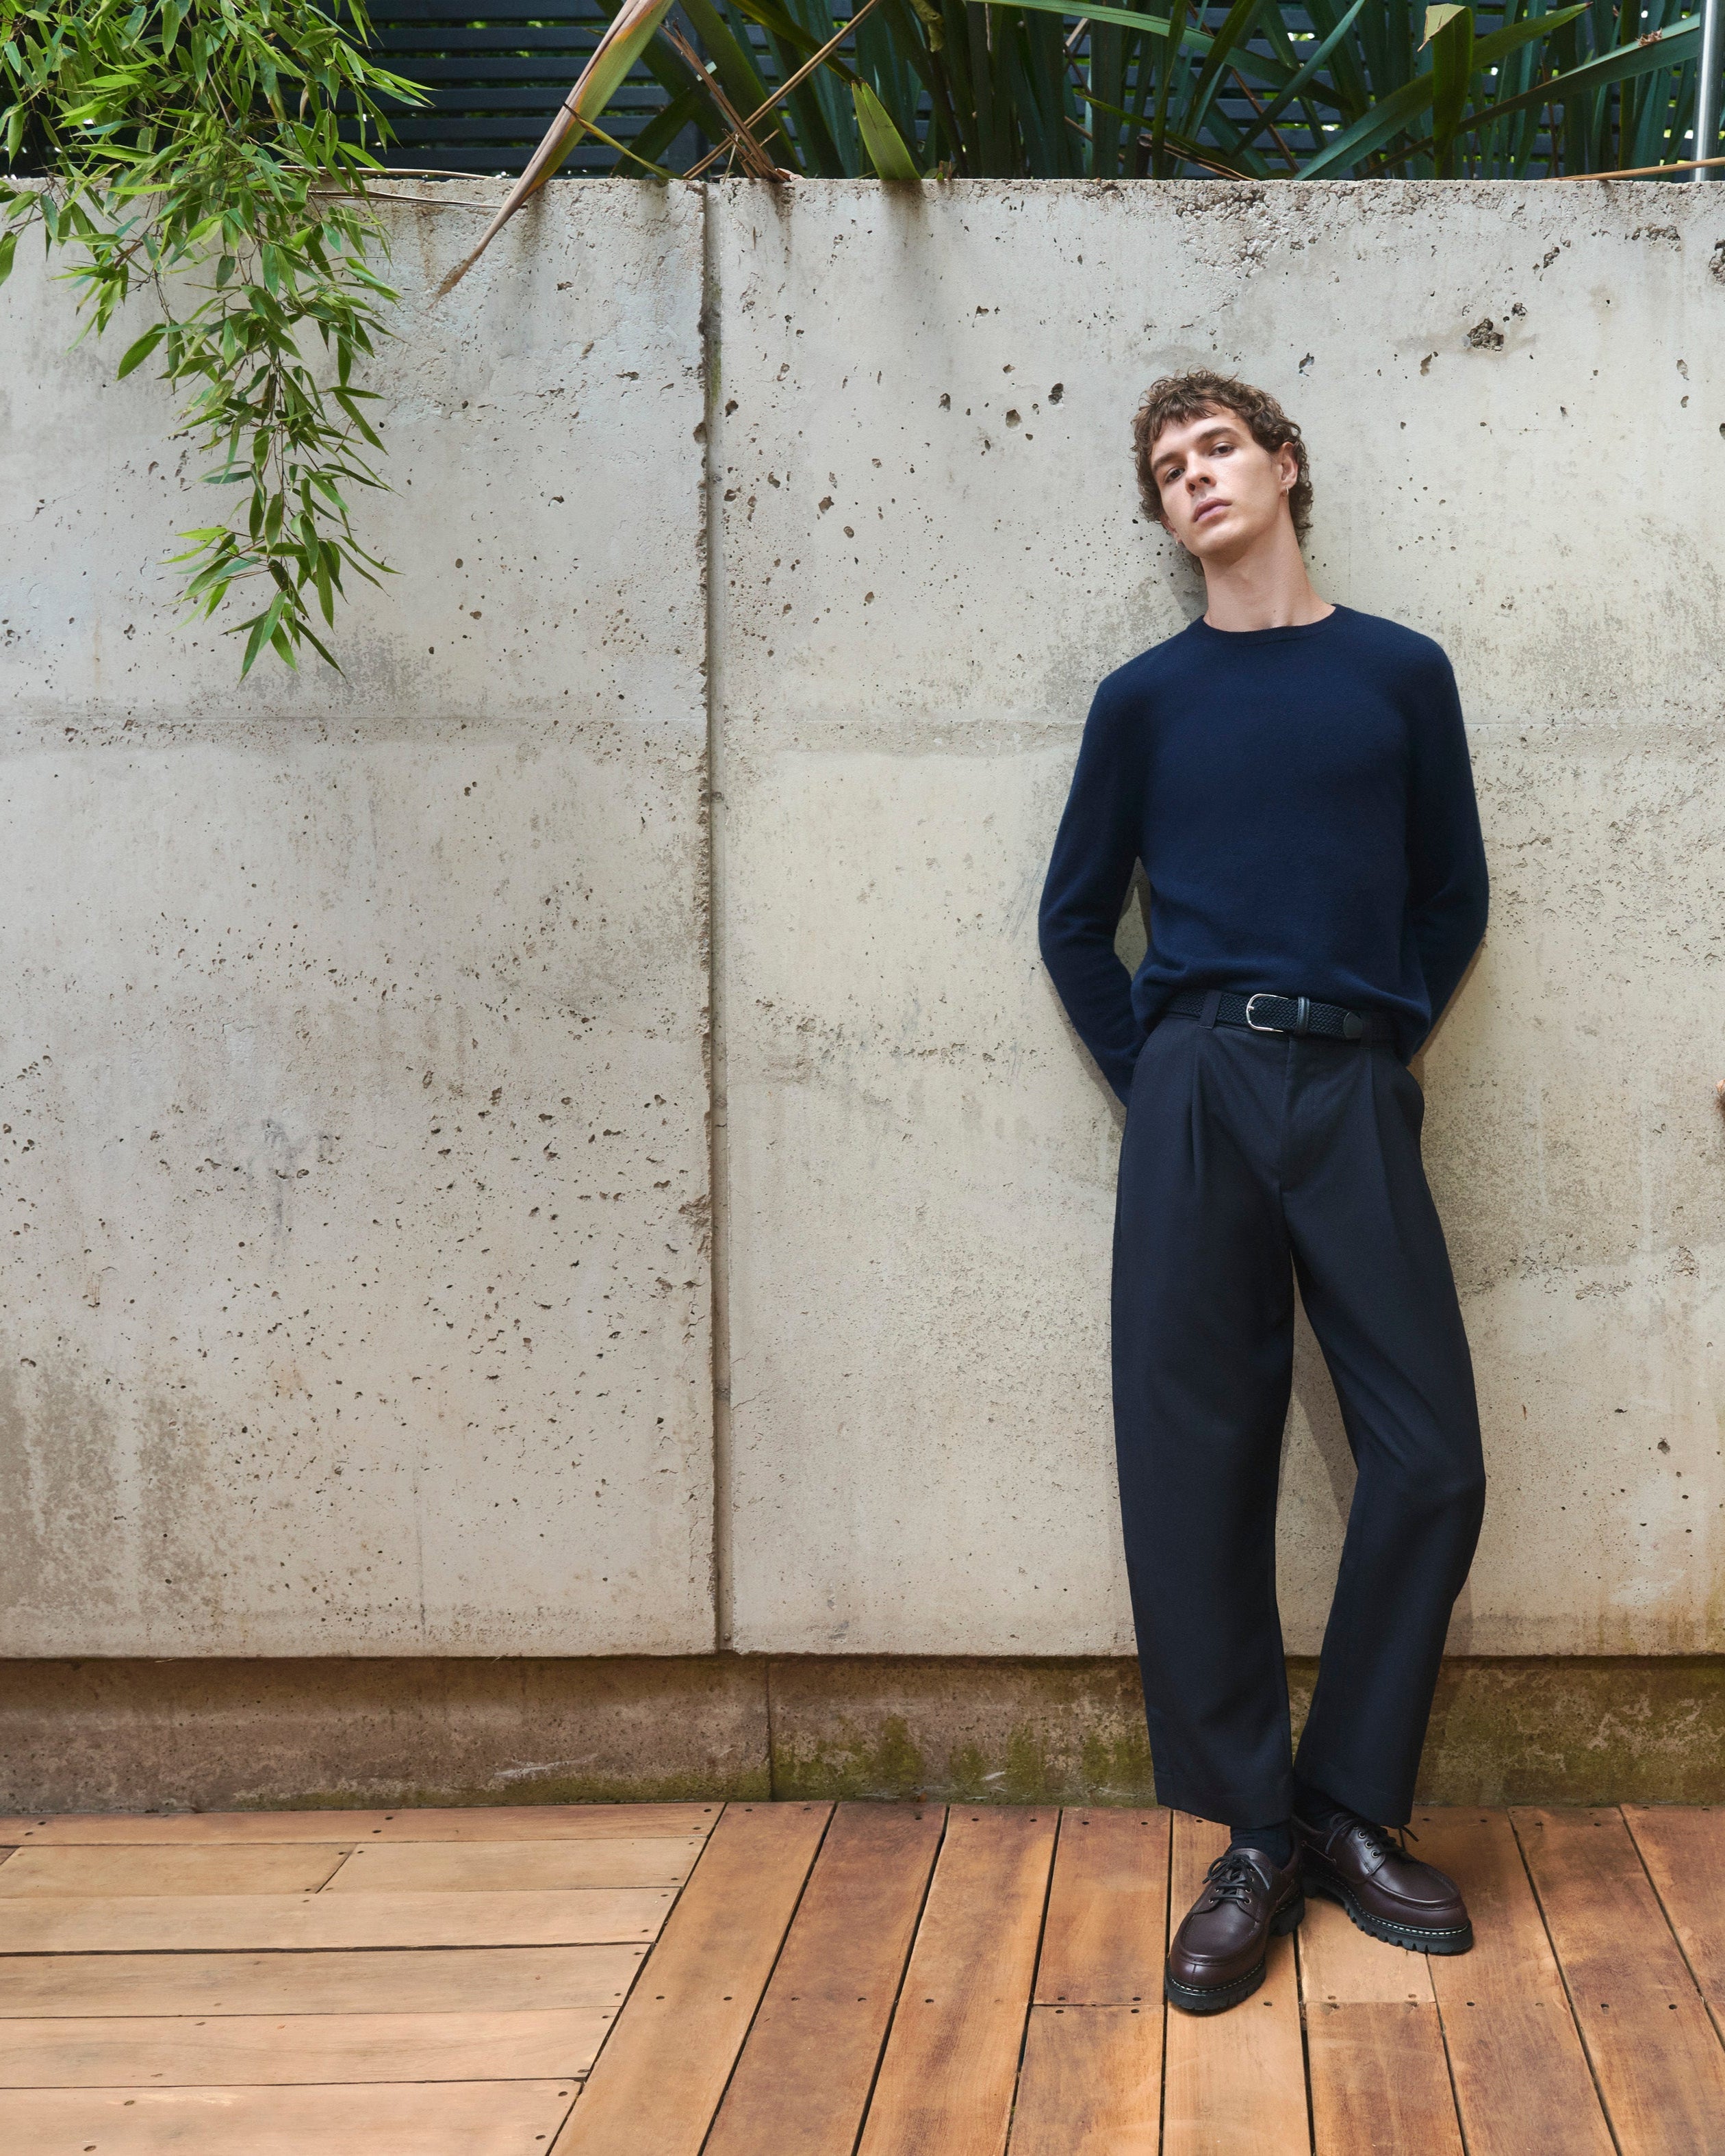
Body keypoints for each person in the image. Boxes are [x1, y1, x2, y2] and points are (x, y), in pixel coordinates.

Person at [1038, 370, 1490, 2016]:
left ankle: (1346, 1805)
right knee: (1193, 1464)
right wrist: (1160, 1076)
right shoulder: (1144, 703)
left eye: (1217, 446)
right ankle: (1253, 1834)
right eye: (1169, 469)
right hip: (1197, 1091)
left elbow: (1454, 894)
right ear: (1167, 520)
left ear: (1286, 467)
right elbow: (1074, 921)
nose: (1195, 477)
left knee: (1432, 1457)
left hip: (1354, 1081)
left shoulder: (1399, 674)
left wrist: (1379, 1045)